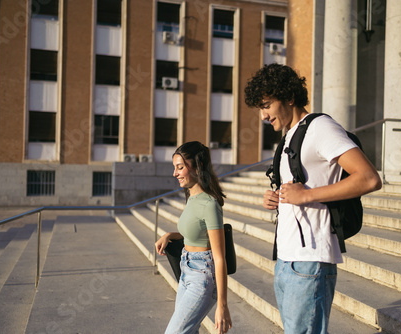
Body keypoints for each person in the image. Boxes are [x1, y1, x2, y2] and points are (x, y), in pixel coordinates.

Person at [244, 63, 382, 334]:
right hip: (287, 259)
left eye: (267, 105)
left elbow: (369, 178)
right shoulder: (288, 137)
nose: (263, 115)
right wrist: (276, 198)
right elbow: (298, 189)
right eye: (260, 108)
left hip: (310, 260)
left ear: (289, 97)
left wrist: (306, 195)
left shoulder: (321, 128)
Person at [155, 141, 232, 334]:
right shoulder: (192, 197)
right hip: (186, 270)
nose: (175, 173)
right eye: (175, 168)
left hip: (202, 276)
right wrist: (169, 235)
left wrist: (222, 305)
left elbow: (220, 257)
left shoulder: (210, 204)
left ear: (197, 167)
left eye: (180, 167)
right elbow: (196, 230)